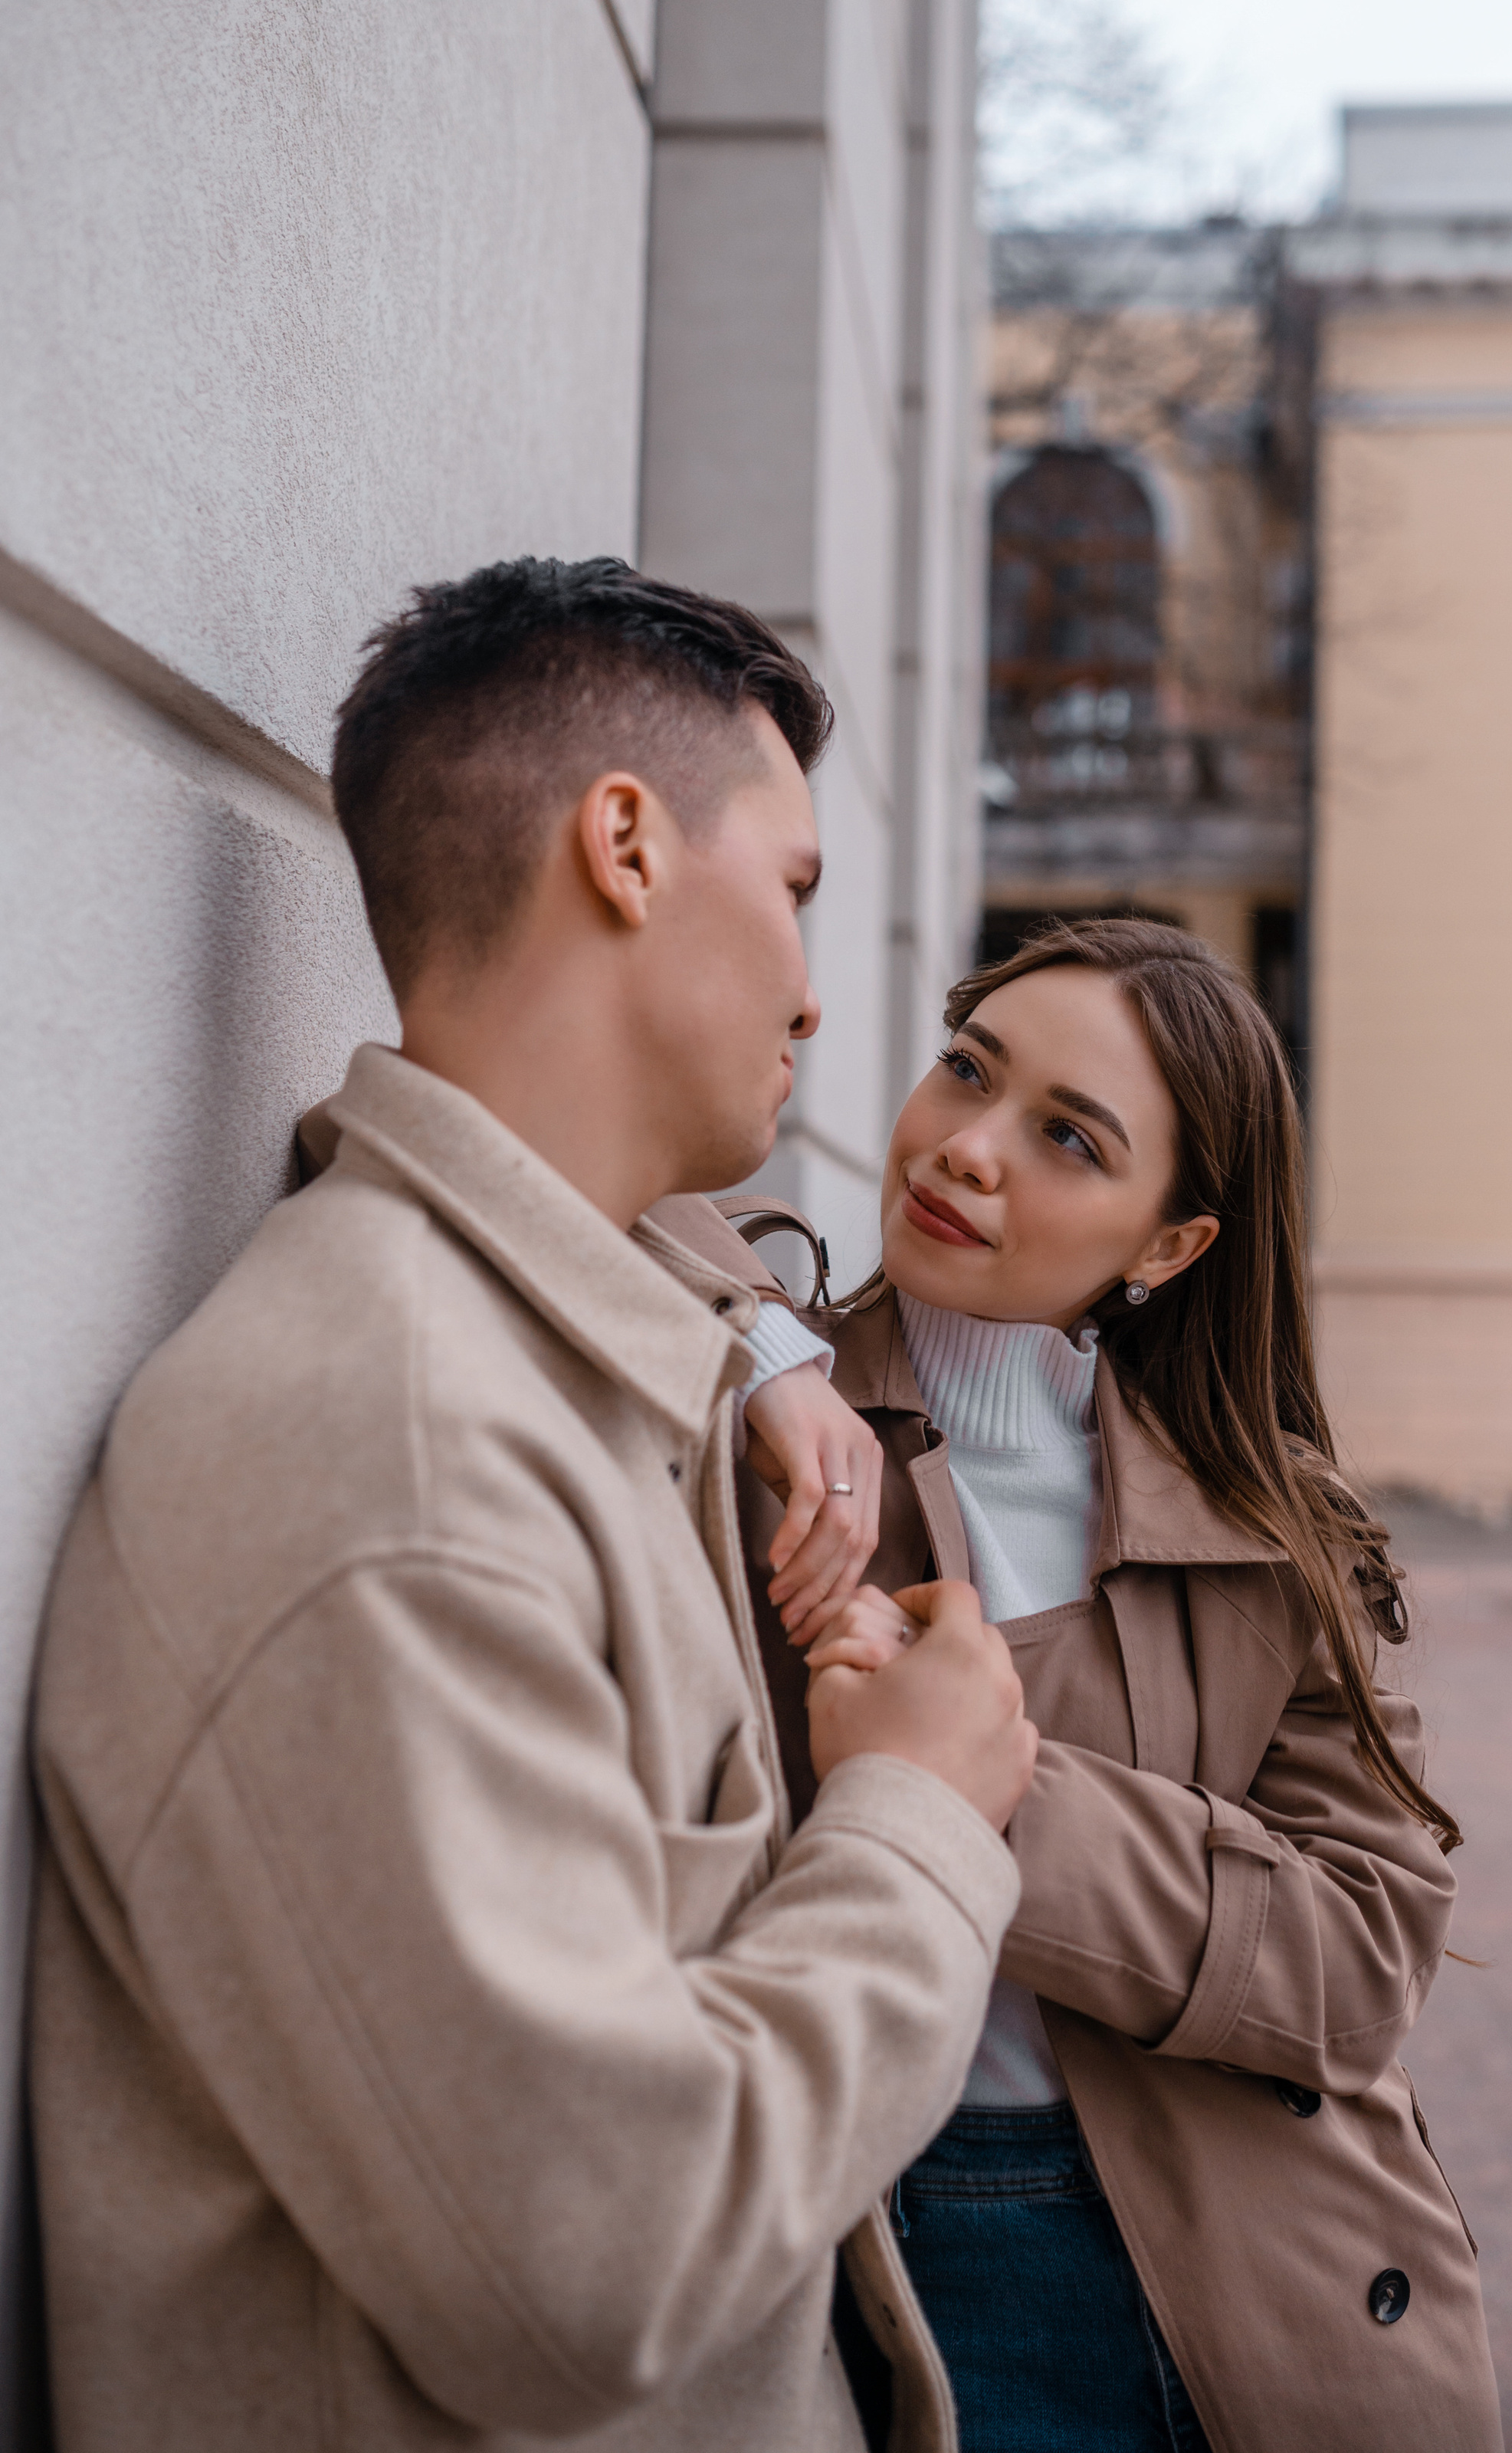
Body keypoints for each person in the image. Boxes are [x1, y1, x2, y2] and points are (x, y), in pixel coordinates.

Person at [30, 557, 1039, 2453]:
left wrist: (758, 1349)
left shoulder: (547, 1348)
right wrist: (917, 1819)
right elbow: (594, 2271)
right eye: (797, 893)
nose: (821, 1002)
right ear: (630, 848)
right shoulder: (388, 1451)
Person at [745, 918, 1506, 2453]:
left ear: (1167, 1244)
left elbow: (1362, 1949)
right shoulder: (769, 1434)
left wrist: (979, 1788)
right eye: (966, 1069)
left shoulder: (1270, 1519)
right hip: (894, 2230)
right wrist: (759, 1342)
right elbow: (582, 1215)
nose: (963, 1148)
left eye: (1066, 1137)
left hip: (1252, 2241)